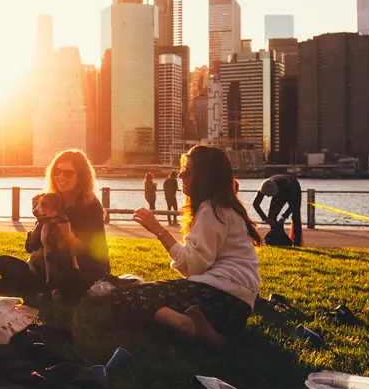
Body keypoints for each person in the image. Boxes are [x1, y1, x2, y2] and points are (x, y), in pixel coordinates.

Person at [100, 145, 261, 350]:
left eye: (187, 172)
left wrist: (158, 230)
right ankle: (208, 332)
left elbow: (193, 266)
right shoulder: (223, 206)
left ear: (205, 176)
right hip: (238, 306)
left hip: (218, 294)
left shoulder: (212, 209)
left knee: (123, 298)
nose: (181, 176)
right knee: (147, 294)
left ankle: (183, 324)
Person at [0, 149, 110, 300]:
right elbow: (29, 247)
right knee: (3, 262)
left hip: (82, 269)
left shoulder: (90, 206)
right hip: (48, 267)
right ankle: (45, 291)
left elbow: (94, 254)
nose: (61, 177)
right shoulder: (50, 201)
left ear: (80, 176)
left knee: (71, 282)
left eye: (68, 173)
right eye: (57, 171)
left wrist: (69, 238)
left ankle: (40, 290)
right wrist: (39, 227)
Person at [253, 174, 303, 247]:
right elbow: (255, 204)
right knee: (271, 217)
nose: (268, 197)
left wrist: (284, 217)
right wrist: (265, 218)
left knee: (296, 215)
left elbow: (294, 204)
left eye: (270, 195)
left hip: (293, 186)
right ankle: (276, 239)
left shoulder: (286, 188)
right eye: (267, 195)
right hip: (278, 186)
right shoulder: (263, 187)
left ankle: (297, 243)